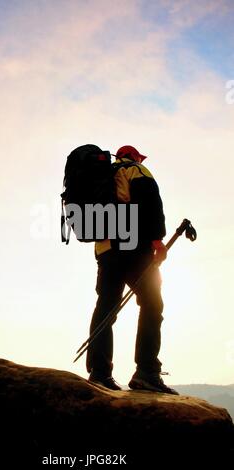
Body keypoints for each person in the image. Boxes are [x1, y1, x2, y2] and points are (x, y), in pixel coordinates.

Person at [86, 145, 178, 394]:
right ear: (134, 156)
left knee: (106, 307)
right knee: (151, 304)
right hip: (133, 246)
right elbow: (150, 202)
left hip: (105, 249)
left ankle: (99, 372)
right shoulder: (136, 170)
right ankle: (146, 372)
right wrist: (158, 239)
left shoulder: (100, 176)